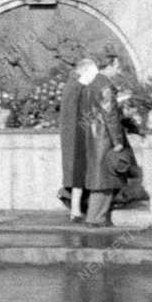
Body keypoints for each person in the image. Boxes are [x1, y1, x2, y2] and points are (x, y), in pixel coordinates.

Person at [78, 58, 127, 226]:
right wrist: (117, 140)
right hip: (102, 136)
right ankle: (96, 218)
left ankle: (95, 216)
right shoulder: (105, 85)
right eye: (118, 66)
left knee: (99, 177)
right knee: (105, 178)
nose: (119, 71)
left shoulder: (90, 83)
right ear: (111, 66)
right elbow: (110, 114)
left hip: (91, 134)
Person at [58, 57, 99, 221]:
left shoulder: (73, 86)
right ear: (85, 72)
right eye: (93, 74)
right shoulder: (76, 87)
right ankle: (75, 209)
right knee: (78, 174)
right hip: (78, 137)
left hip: (75, 135)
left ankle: (76, 209)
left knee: (78, 174)